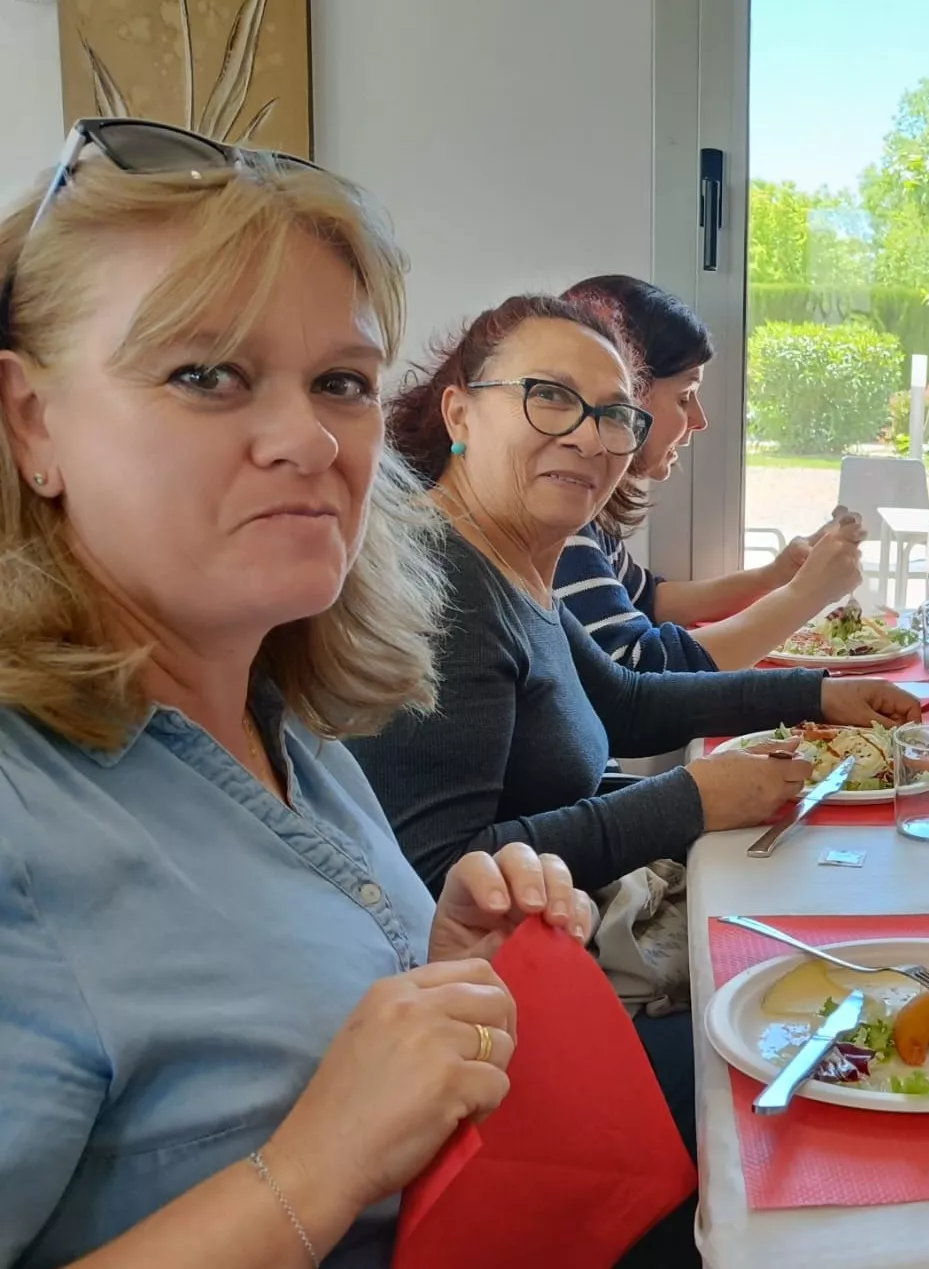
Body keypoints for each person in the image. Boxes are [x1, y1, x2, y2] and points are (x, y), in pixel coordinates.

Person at [0, 119, 596, 1266]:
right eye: (205, 374)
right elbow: (317, 1136)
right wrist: (313, 1170)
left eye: (342, 382)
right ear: (34, 422)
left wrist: (440, 964)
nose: (310, 438)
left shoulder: (284, 721)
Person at [349, 293, 919, 896]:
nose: (590, 439)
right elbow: (439, 876)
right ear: (459, 413)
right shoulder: (444, 590)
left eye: (615, 415)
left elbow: (625, 702)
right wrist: (690, 800)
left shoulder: (507, 564)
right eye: (549, 395)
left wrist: (818, 695)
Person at [553, 274, 866, 671]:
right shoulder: (559, 521)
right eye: (684, 396)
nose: (699, 419)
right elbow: (638, 673)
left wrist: (778, 575)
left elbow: (647, 600)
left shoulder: (588, 514)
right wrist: (804, 597)